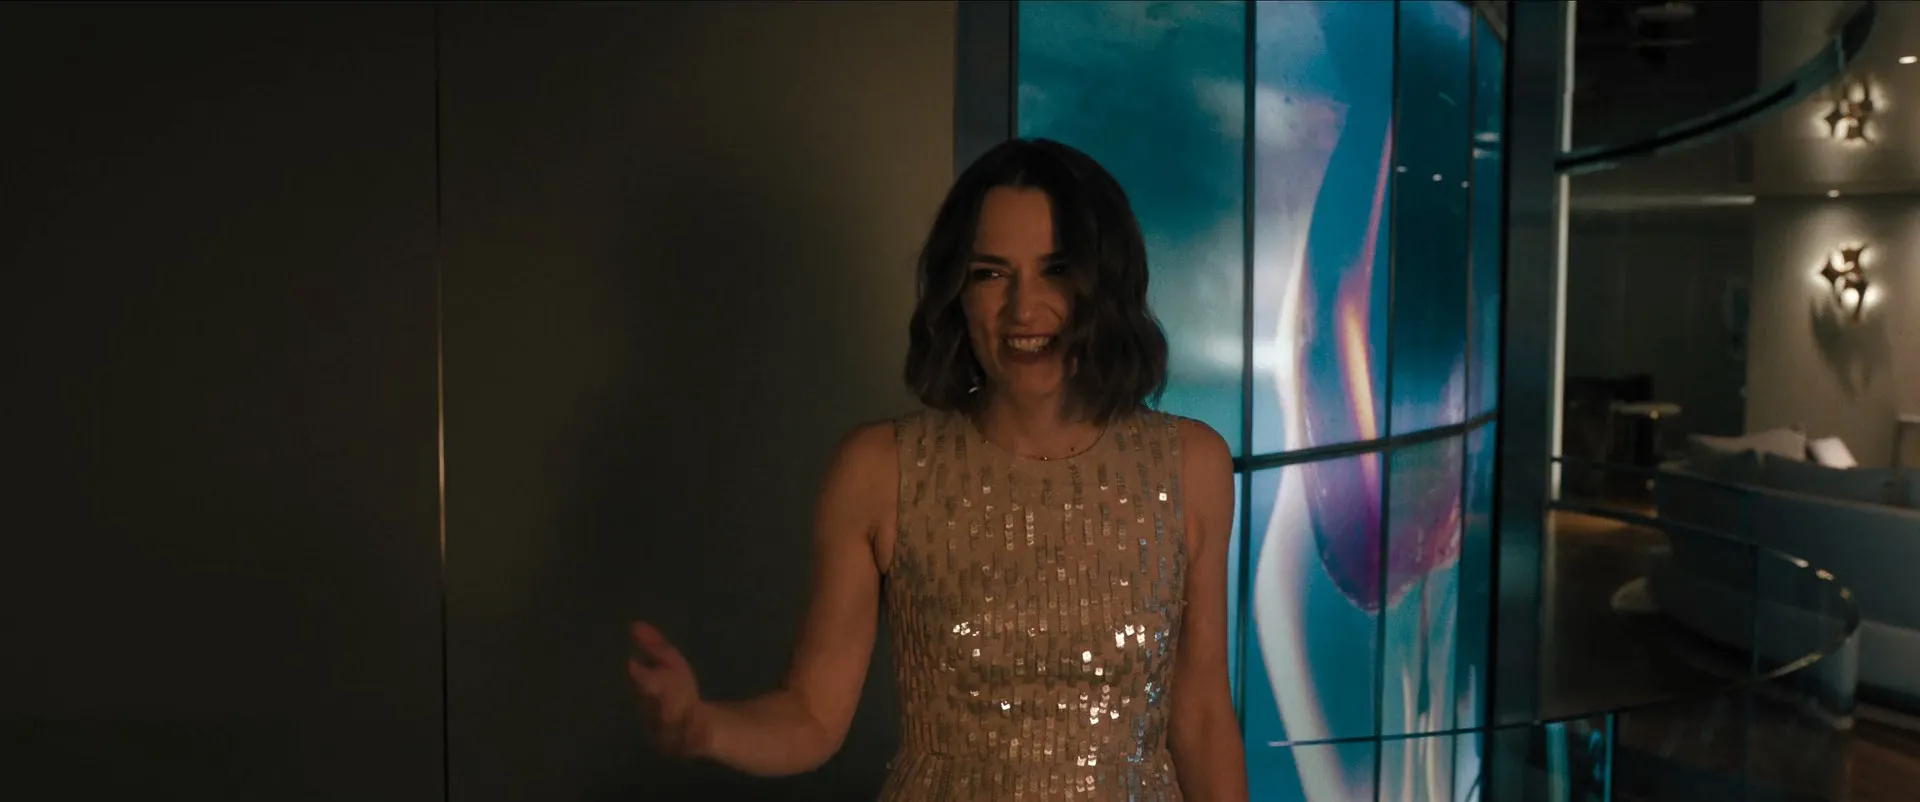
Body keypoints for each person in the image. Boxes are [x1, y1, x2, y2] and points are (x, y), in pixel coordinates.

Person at [627, 138, 1248, 801]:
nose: (1023, 309)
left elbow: (1203, 720)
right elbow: (812, 715)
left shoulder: (1190, 465)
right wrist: (705, 728)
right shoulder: (878, 470)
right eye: (990, 274)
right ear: (956, 292)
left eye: (1057, 270)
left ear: (1106, 284)